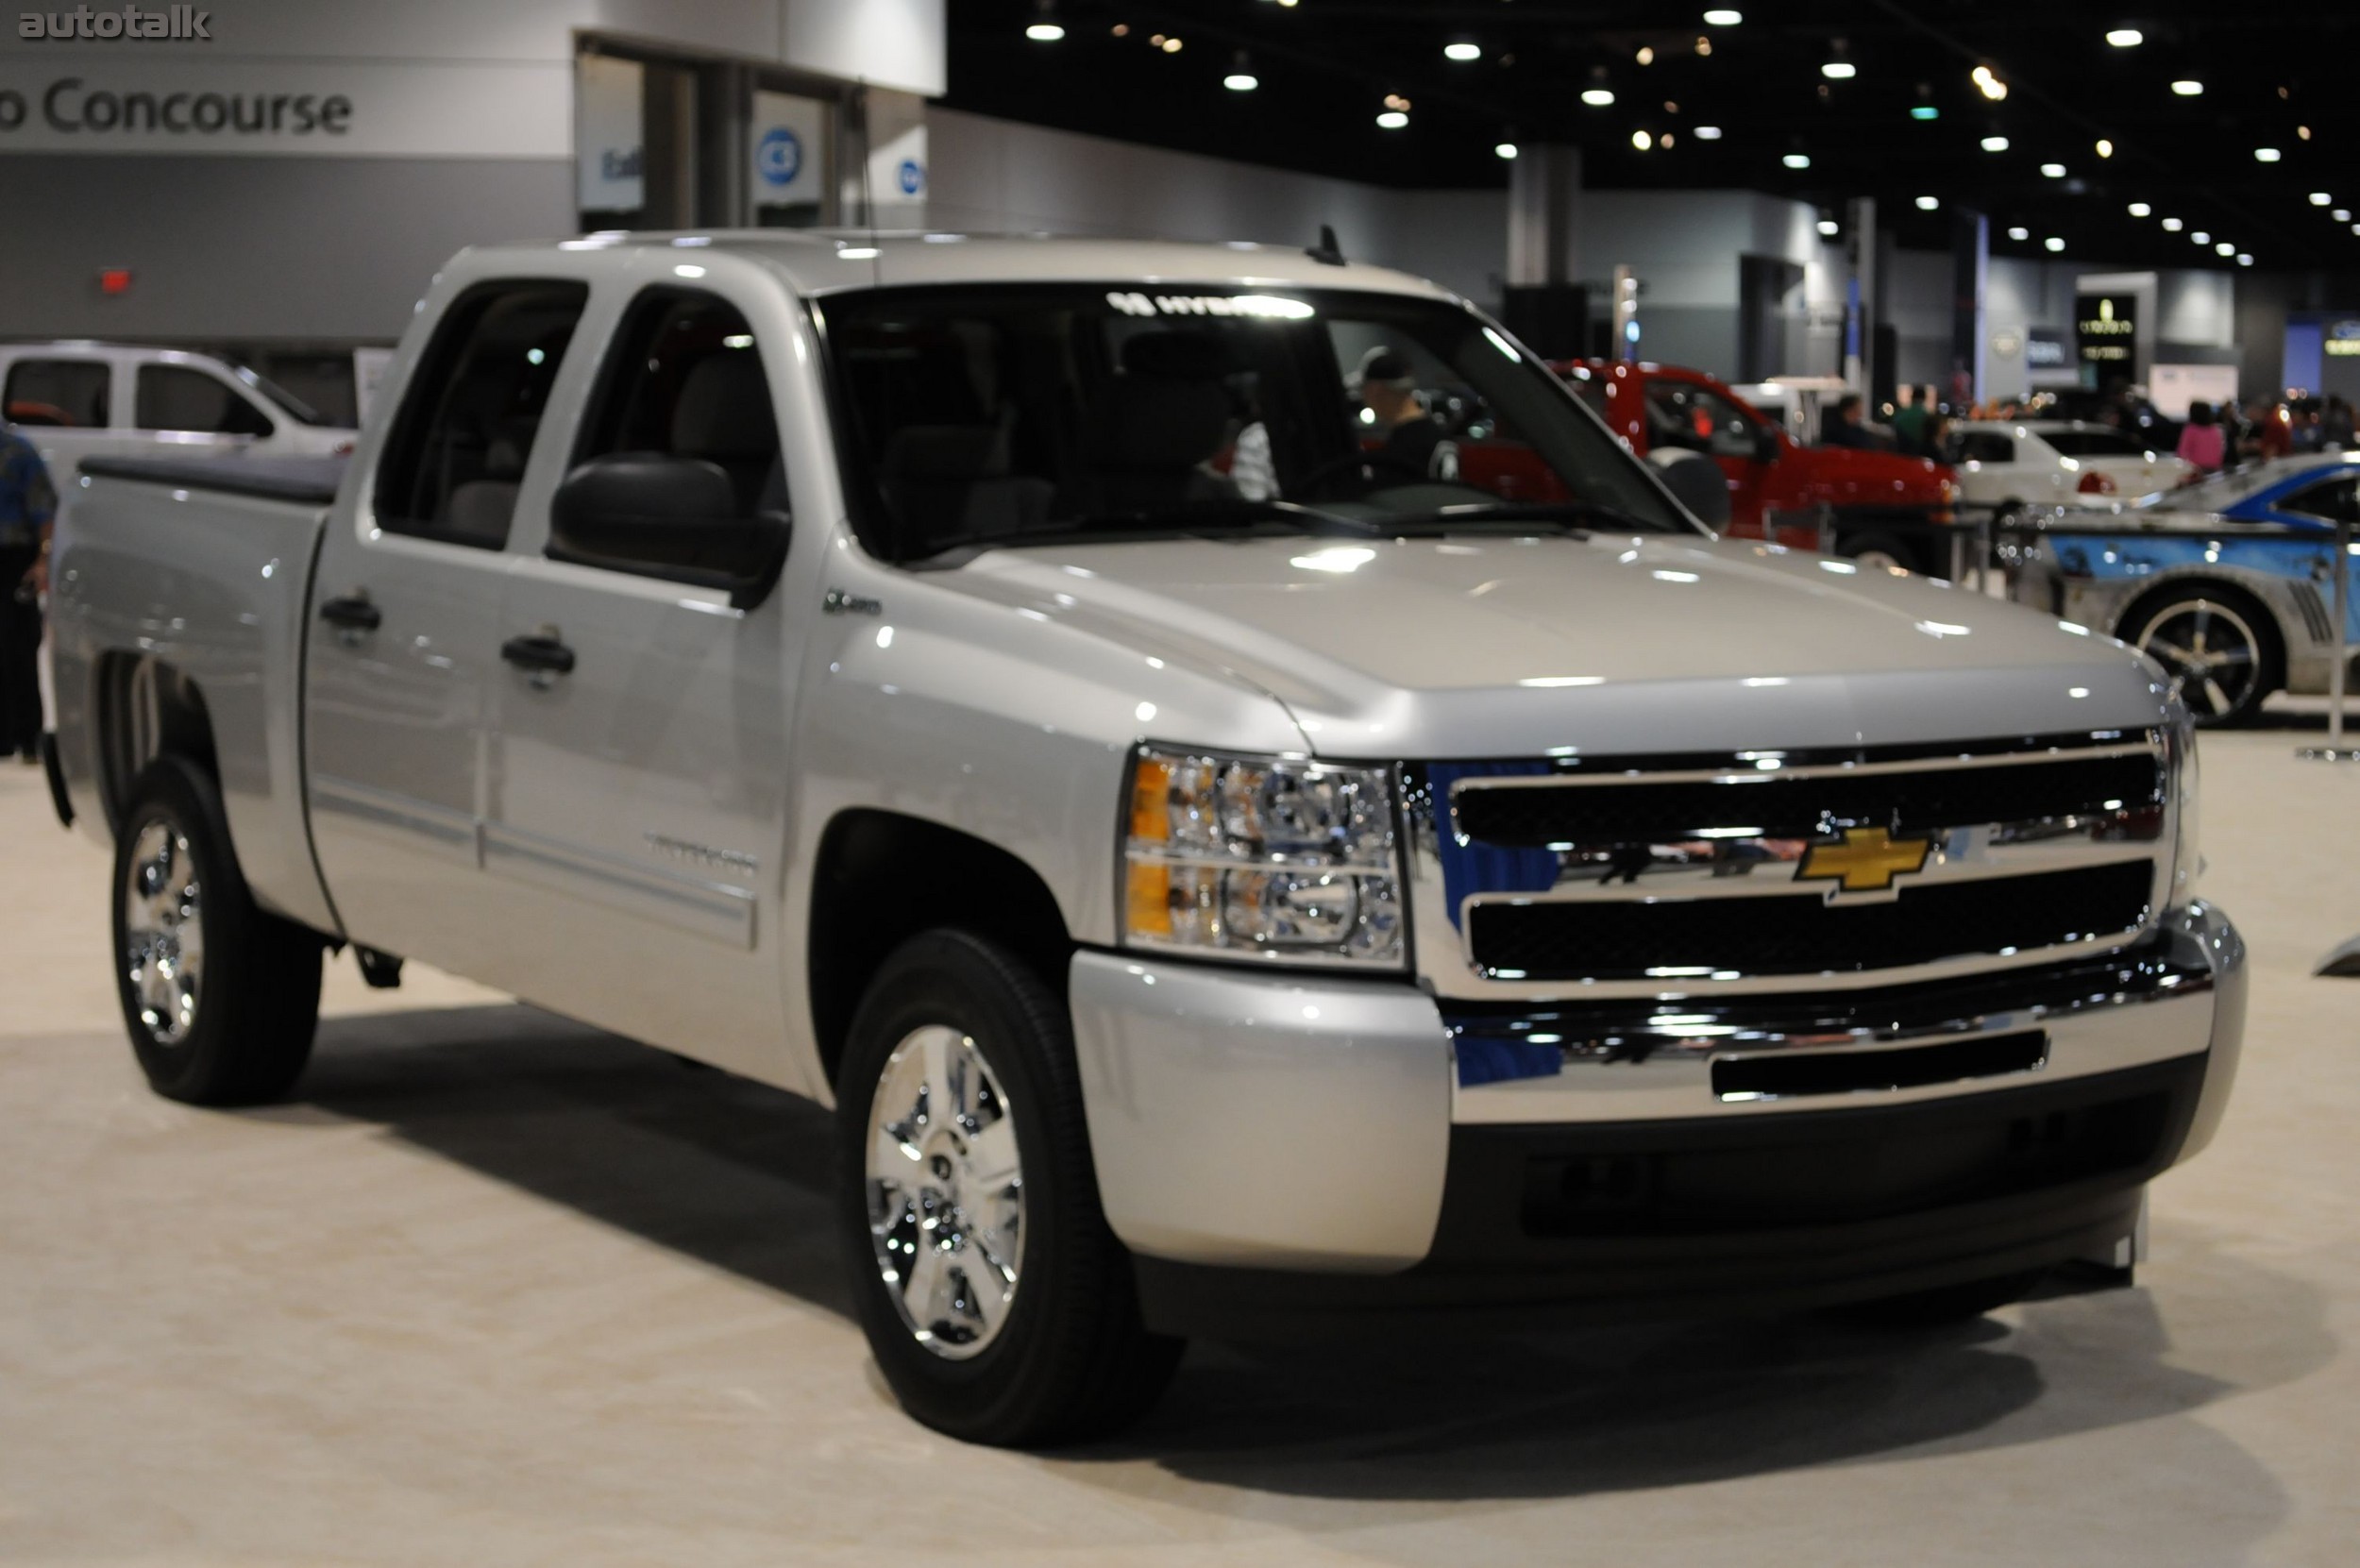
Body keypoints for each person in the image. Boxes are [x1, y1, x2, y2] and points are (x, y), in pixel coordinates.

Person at [0, 426, 56, 764]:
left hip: (13, 559)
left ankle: (28, 735)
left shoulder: (18, 453)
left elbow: (43, 511)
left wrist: (43, 561)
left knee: (18, 645)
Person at [1355, 346, 1458, 481]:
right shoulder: (1440, 437)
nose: (1364, 399)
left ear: (1375, 390)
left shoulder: (1399, 452)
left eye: (1364, 390)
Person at [2175, 401, 2225, 476]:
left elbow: (2182, 452)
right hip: (2214, 469)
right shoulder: (2215, 430)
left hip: (2196, 470)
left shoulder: (2191, 429)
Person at [1889, 384, 1928, 455]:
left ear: (1912, 397)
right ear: (1925, 398)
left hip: (1902, 455)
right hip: (1921, 455)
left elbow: (1893, 431)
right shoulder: (1928, 417)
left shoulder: (1900, 415)